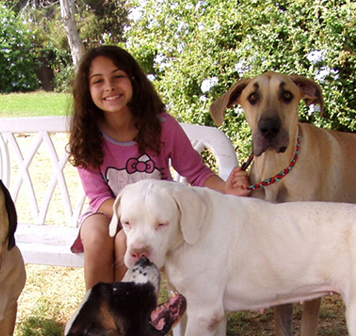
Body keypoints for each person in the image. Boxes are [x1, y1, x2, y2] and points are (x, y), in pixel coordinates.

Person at [68, 45, 250, 289]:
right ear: (86, 91)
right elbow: (98, 198)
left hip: (156, 215)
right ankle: (96, 317)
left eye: (118, 76)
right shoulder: (87, 134)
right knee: (94, 235)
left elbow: (196, 172)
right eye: (98, 81)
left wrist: (226, 189)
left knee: (125, 241)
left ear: (134, 80)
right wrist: (130, 215)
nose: (109, 86)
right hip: (109, 212)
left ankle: (129, 317)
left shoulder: (162, 126)